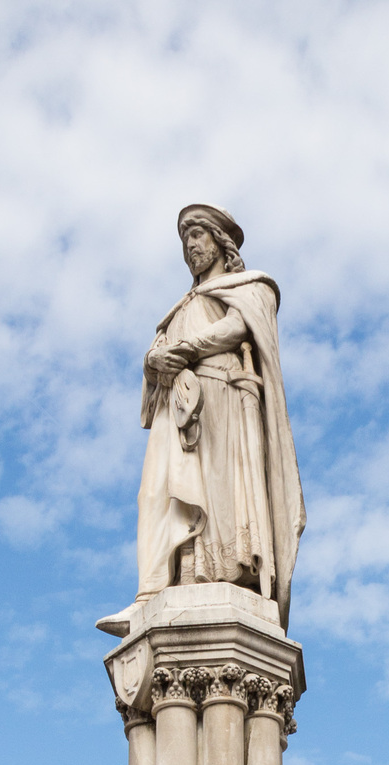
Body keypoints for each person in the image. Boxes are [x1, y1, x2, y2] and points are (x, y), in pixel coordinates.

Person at [135, 205, 304, 624]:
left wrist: (189, 348)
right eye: (185, 239)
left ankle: (216, 572)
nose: (191, 246)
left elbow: (239, 327)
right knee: (160, 492)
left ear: (220, 240)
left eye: (198, 235)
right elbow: (157, 350)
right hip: (177, 407)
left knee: (216, 489)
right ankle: (155, 587)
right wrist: (155, 359)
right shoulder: (178, 308)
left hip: (223, 400)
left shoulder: (250, 287)